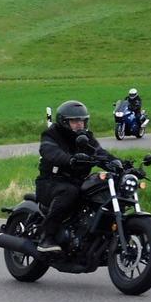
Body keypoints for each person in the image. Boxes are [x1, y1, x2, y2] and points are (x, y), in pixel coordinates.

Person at [35, 100, 118, 252]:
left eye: (82, 121)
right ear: (64, 122)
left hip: (77, 182)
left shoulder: (86, 139)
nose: (80, 124)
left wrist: (119, 164)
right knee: (70, 192)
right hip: (51, 182)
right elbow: (50, 151)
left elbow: (100, 153)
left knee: (98, 191)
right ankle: (46, 236)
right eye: (75, 121)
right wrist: (70, 159)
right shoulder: (52, 134)